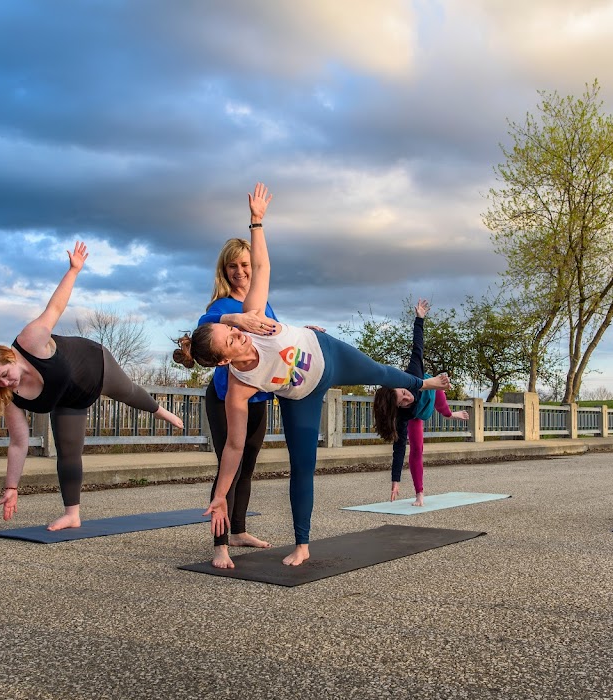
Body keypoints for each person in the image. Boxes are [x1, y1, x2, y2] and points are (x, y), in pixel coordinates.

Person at [173, 184, 451, 566]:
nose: (238, 333)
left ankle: (425, 383)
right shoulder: (238, 389)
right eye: (230, 339)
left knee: (383, 373)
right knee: (302, 466)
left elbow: (264, 268)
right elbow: (233, 449)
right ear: (223, 362)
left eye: (232, 328)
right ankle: (302, 544)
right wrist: (219, 494)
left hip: (327, 354)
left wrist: (256, 222)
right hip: (300, 396)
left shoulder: (250, 318)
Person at [0, 242, 184, 531]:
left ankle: (161, 411)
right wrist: (11, 487)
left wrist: (73, 270)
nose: (6, 382)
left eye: (6, 374)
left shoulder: (31, 339)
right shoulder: (9, 395)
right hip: (71, 399)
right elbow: (19, 443)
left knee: (128, 393)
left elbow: (56, 307)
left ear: (10, 357)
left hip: (94, 365)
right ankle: (72, 514)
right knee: (68, 452)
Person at [198, 237, 280, 567]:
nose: (240, 271)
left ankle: (239, 530)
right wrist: (235, 320)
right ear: (224, 270)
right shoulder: (220, 307)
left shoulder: (263, 303)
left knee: (247, 466)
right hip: (225, 398)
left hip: (258, 395)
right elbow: (203, 328)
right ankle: (220, 545)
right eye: (233, 266)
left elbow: (275, 334)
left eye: (245, 264)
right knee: (228, 467)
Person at [372, 298, 468, 506]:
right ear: (398, 408)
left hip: (432, 391)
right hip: (418, 415)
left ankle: (452, 414)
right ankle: (420, 494)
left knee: (441, 404)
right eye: (403, 401)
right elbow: (399, 449)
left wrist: (419, 318)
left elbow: (418, 346)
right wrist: (395, 481)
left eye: (404, 392)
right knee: (416, 449)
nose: (408, 397)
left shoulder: (411, 374)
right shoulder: (402, 416)